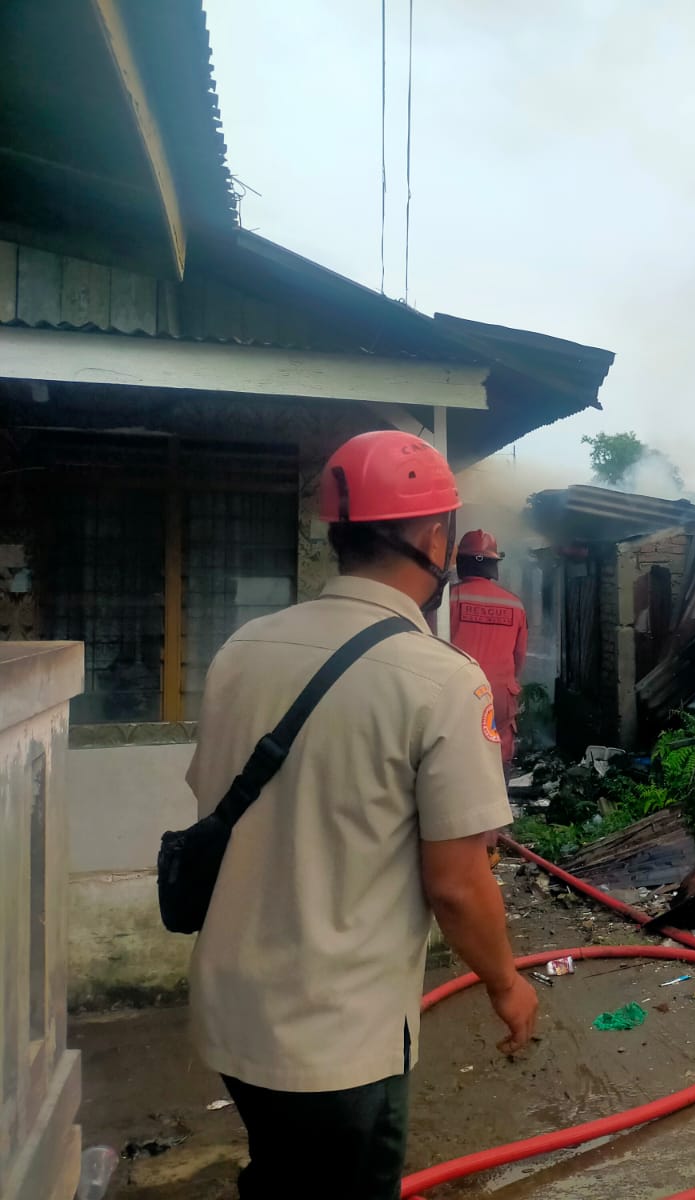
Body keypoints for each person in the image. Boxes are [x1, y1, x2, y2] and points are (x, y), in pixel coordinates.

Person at [184, 430, 538, 1199]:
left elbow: (215, 801)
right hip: (336, 1042)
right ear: (432, 535)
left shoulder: (243, 649)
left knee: (280, 1178)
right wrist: (506, 983)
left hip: (232, 1017)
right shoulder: (439, 680)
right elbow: (455, 883)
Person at [447, 529, 527, 775]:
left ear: (462, 562)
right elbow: (519, 658)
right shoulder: (514, 604)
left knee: (455, 756)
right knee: (498, 757)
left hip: (458, 695)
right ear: (493, 565)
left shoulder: (448, 600)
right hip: (500, 698)